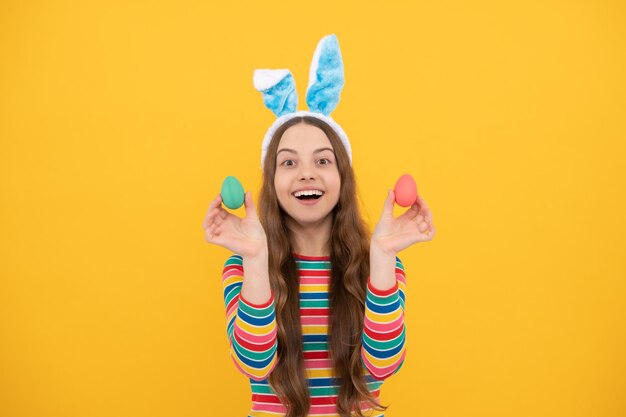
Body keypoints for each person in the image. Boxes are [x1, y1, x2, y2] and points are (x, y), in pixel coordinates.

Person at [202, 34, 435, 417]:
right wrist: (256, 258)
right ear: (271, 181)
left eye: (323, 161)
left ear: (343, 177)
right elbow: (253, 362)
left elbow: (383, 365)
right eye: (289, 163)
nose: (306, 174)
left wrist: (382, 255)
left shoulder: (378, 266)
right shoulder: (242, 267)